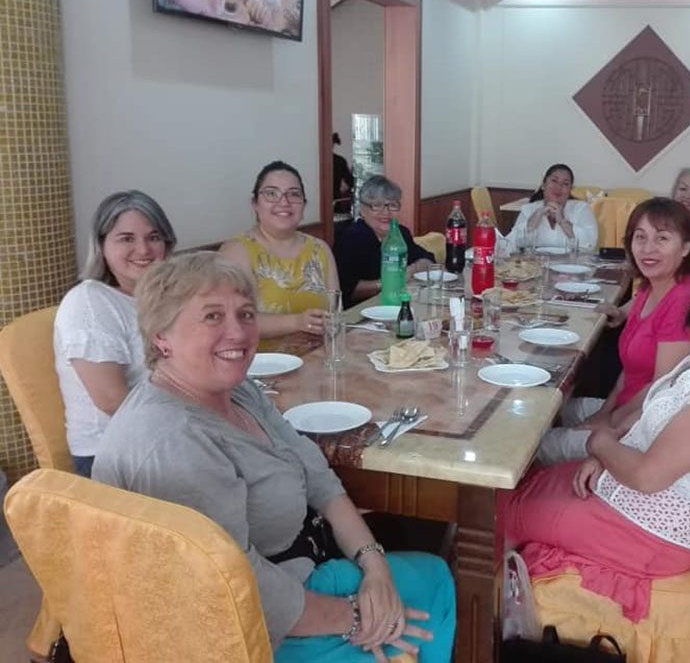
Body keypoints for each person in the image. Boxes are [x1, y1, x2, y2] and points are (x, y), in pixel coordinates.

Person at [92, 253, 455, 663]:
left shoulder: (237, 391)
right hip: (246, 633)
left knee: (432, 576)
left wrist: (375, 566)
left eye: (246, 314)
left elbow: (317, 476)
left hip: (304, 570)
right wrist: (357, 618)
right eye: (212, 316)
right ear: (162, 337)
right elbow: (231, 584)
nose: (238, 332)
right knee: (430, 596)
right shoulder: (173, 441)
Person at [504, 262, 690, 623]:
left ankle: (486, 623)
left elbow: (646, 476)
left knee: (502, 511)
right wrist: (608, 450)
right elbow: (650, 417)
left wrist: (600, 444)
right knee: (526, 481)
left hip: (651, 534)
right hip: (627, 496)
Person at [537, 198, 690, 464]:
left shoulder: (683, 300)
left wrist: (610, 423)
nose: (648, 248)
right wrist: (604, 412)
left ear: (686, 247)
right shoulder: (651, 287)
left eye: (662, 238)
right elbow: (630, 370)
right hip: (625, 405)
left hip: (642, 425)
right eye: (640, 237)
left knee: (538, 444)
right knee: (543, 409)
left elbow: (660, 389)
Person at [54, 191, 177, 478]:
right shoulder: (89, 301)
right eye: (126, 239)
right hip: (113, 454)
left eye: (154, 237)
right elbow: (112, 401)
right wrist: (197, 429)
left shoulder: (167, 298)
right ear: (102, 246)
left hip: (167, 436)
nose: (143, 249)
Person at [219, 161, 340, 346]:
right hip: (261, 362)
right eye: (271, 194)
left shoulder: (320, 249)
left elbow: (336, 313)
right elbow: (235, 321)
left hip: (319, 359)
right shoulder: (236, 251)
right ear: (255, 204)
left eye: (294, 194)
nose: (284, 202)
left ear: (303, 205)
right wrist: (297, 322)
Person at [334, 175, 434, 306]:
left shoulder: (400, 233)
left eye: (392, 205)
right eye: (377, 205)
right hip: (361, 309)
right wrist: (389, 282)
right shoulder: (351, 238)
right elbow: (346, 290)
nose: (386, 212)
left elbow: (428, 258)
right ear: (362, 210)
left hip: (396, 303)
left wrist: (413, 268)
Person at [507, 165, 599, 252]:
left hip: (572, 262)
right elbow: (512, 243)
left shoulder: (582, 209)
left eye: (565, 184)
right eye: (554, 181)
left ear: (570, 190)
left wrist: (562, 221)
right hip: (535, 262)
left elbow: (590, 245)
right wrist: (536, 217)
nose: (559, 187)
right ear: (543, 185)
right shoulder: (528, 209)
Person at [332, 132, 354, 215]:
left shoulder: (340, 161)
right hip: (335, 202)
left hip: (334, 202)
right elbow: (351, 182)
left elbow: (350, 182)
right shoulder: (340, 161)